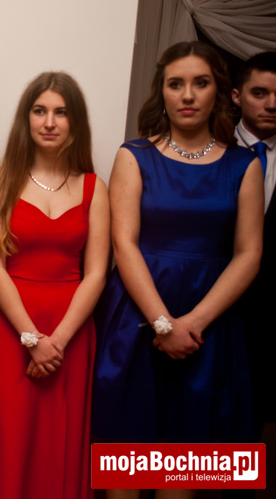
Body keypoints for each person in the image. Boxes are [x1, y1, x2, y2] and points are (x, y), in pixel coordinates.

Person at [92, 41, 263, 499]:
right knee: (125, 470)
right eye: (176, 84)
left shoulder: (244, 164)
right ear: (161, 92)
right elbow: (124, 244)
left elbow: (249, 254)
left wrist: (193, 324)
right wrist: (164, 324)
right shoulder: (133, 155)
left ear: (219, 91)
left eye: (200, 83)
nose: (187, 95)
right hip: (137, 319)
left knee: (184, 473)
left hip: (210, 327)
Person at [0, 72, 109, 499]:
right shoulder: (0, 181)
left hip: (70, 333)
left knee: (55, 447)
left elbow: (96, 273)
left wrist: (57, 342)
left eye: (61, 112)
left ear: (75, 122)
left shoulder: (95, 188)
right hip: (11, 330)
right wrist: (32, 339)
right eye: (40, 111)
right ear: (26, 119)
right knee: (2, 440)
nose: (49, 122)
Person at [234, 51, 276, 486]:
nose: (271, 104)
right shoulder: (209, 148)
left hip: (268, 319)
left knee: (252, 426)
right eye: (260, 93)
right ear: (237, 95)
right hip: (200, 305)